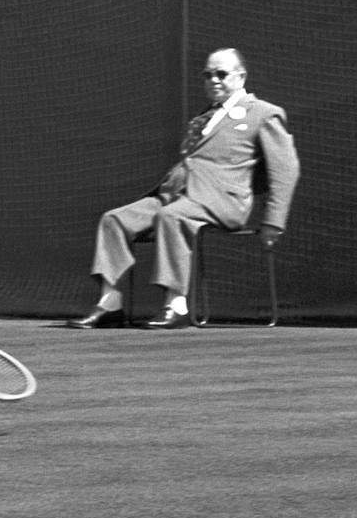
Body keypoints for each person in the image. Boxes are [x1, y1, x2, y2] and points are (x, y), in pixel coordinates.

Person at [69, 48, 301, 330]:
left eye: (221, 74)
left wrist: (273, 222)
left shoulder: (264, 113)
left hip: (221, 202)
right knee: (114, 220)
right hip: (176, 195)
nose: (213, 80)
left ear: (241, 77)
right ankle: (110, 303)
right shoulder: (203, 117)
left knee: (172, 217)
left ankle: (176, 305)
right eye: (208, 75)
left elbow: (285, 170)